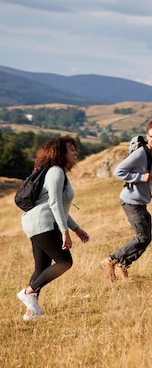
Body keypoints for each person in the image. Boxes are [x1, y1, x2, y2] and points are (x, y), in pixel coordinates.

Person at [17, 136, 90, 321]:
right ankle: (28, 292)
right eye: (71, 149)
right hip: (44, 223)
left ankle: (31, 312)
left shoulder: (55, 172)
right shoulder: (56, 171)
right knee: (65, 262)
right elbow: (55, 203)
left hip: (35, 223)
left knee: (41, 268)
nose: (75, 152)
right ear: (60, 153)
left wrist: (76, 228)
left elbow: (60, 205)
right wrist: (65, 232)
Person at [99, 120, 152, 281]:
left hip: (142, 201)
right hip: (130, 200)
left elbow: (151, 171)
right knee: (142, 237)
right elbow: (118, 171)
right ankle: (110, 261)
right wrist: (139, 177)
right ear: (147, 136)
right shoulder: (140, 153)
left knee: (146, 238)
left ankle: (123, 265)